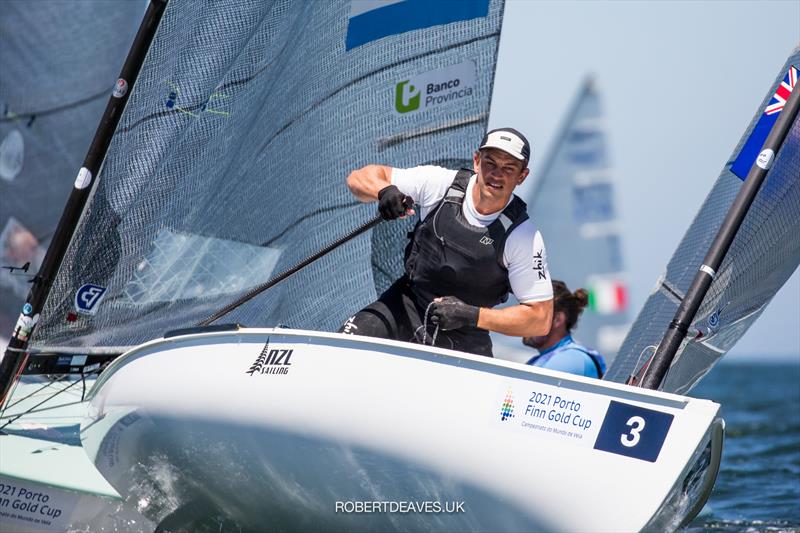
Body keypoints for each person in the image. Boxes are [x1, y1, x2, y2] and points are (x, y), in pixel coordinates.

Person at [339, 127, 553, 357]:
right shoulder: (439, 185)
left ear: (522, 176)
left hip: (465, 333)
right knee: (342, 348)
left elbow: (540, 318)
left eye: (508, 168)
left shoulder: (523, 237)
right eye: (490, 162)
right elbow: (358, 178)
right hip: (405, 306)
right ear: (477, 161)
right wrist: (384, 191)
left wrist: (471, 315)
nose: (497, 174)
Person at [522, 280, 606, 378]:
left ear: (557, 319)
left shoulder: (571, 359)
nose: (523, 318)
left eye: (532, 313)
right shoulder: (548, 359)